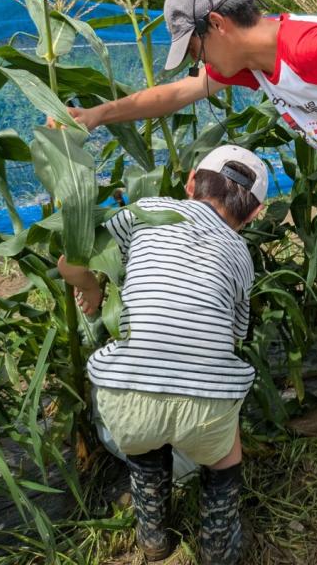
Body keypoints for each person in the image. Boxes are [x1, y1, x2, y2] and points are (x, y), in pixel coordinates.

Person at [66, 0, 317, 485]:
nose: (201, 63)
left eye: (198, 48)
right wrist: (96, 115)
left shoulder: (311, 48)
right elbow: (179, 94)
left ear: (220, 24)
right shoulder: (255, 62)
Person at [57, 145, 268, 563]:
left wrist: (92, 289)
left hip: (126, 404)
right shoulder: (242, 256)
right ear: (254, 214)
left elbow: (70, 260)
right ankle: (218, 548)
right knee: (226, 451)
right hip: (204, 412)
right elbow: (235, 334)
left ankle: (153, 537)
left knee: (145, 444)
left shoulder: (147, 210)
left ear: (191, 182)